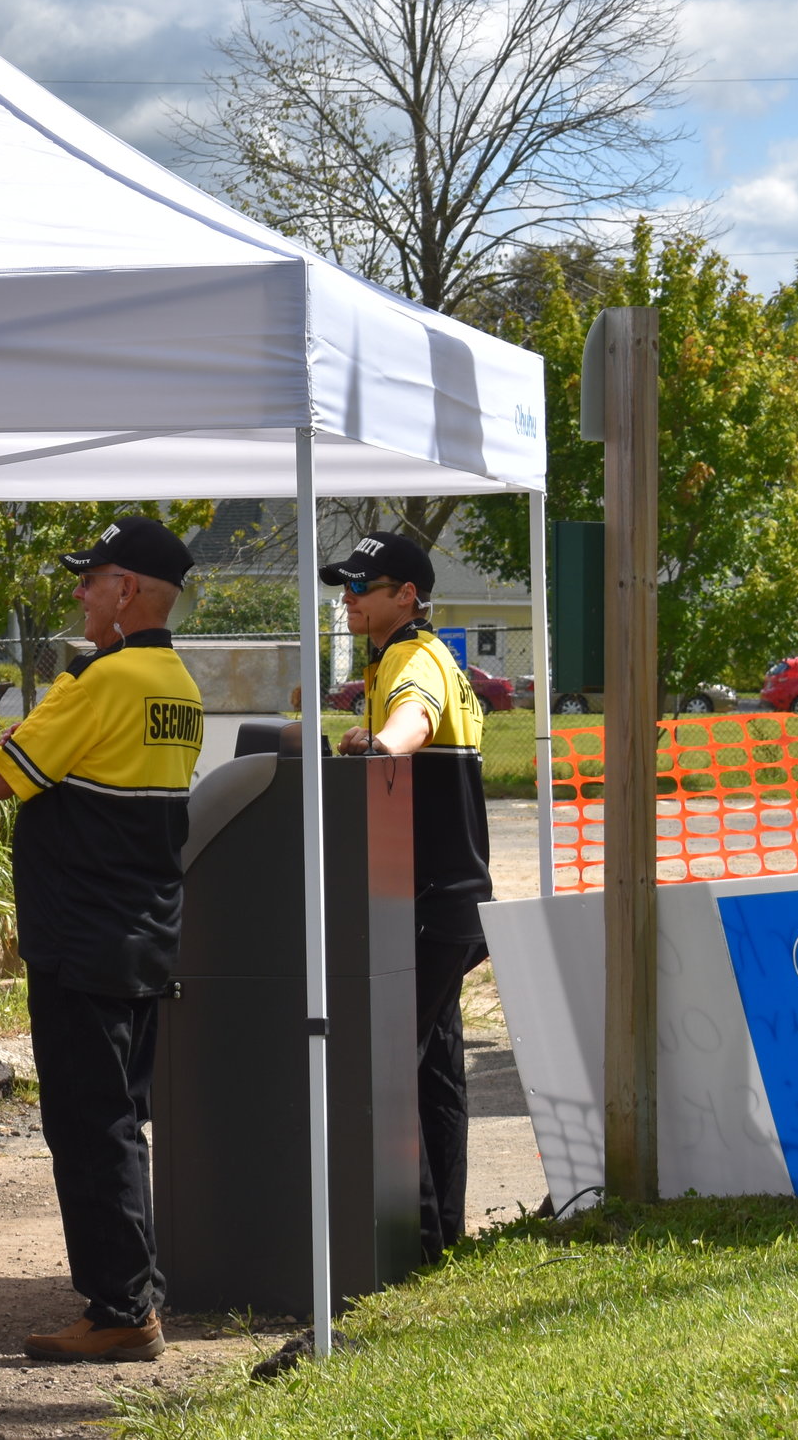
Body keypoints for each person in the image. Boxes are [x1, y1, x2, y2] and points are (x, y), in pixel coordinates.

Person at [0, 517, 201, 1364]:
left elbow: (4, 775)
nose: (80, 590)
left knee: (87, 1123)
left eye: (92, 576)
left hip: (81, 936)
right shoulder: (179, 681)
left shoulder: (98, 681)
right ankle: (135, 1286)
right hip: (143, 930)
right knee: (120, 1118)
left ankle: (120, 1306)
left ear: (130, 589)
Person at [316, 530, 492, 1261]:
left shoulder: (414, 657)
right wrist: (375, 733)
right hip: (450, 899)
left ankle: (415, 1243)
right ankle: (440, 1234)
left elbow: (415, 720)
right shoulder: (420, 656)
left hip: (428, 901)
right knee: (433, 1068)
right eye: (346, 585)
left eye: (363, 585)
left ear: (407, 595)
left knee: (392, 1064)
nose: (348, 597)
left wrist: (383, 743)